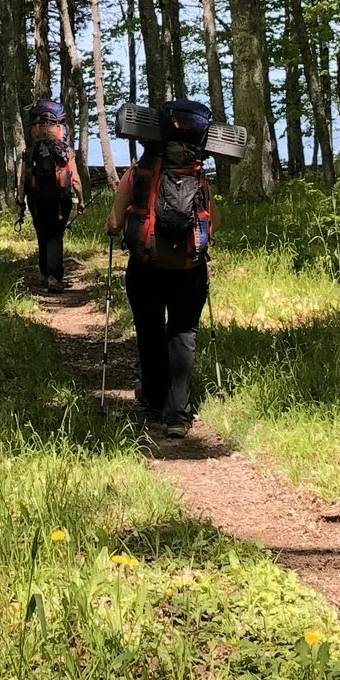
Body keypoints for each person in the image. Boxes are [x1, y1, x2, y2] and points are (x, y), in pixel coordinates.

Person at [109, 99, 215, 436]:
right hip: (189, 269)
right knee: (183, 335)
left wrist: (116, 225)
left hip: (145, 266)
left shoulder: (139, 172)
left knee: (150, 331)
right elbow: (212, 223)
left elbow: (115, 220)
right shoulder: (198, 176)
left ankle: (153, 398)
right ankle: (178, 416)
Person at [18, 96, 82, 290]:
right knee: (56, 234)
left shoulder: (30, 152)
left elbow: (23, 179)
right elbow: (76, 180)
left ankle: (44, 273)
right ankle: (55, 276)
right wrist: (81, 200)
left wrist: (21, 203)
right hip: (61, 199)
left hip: (36, 199)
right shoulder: (66, 151)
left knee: (42, 233)